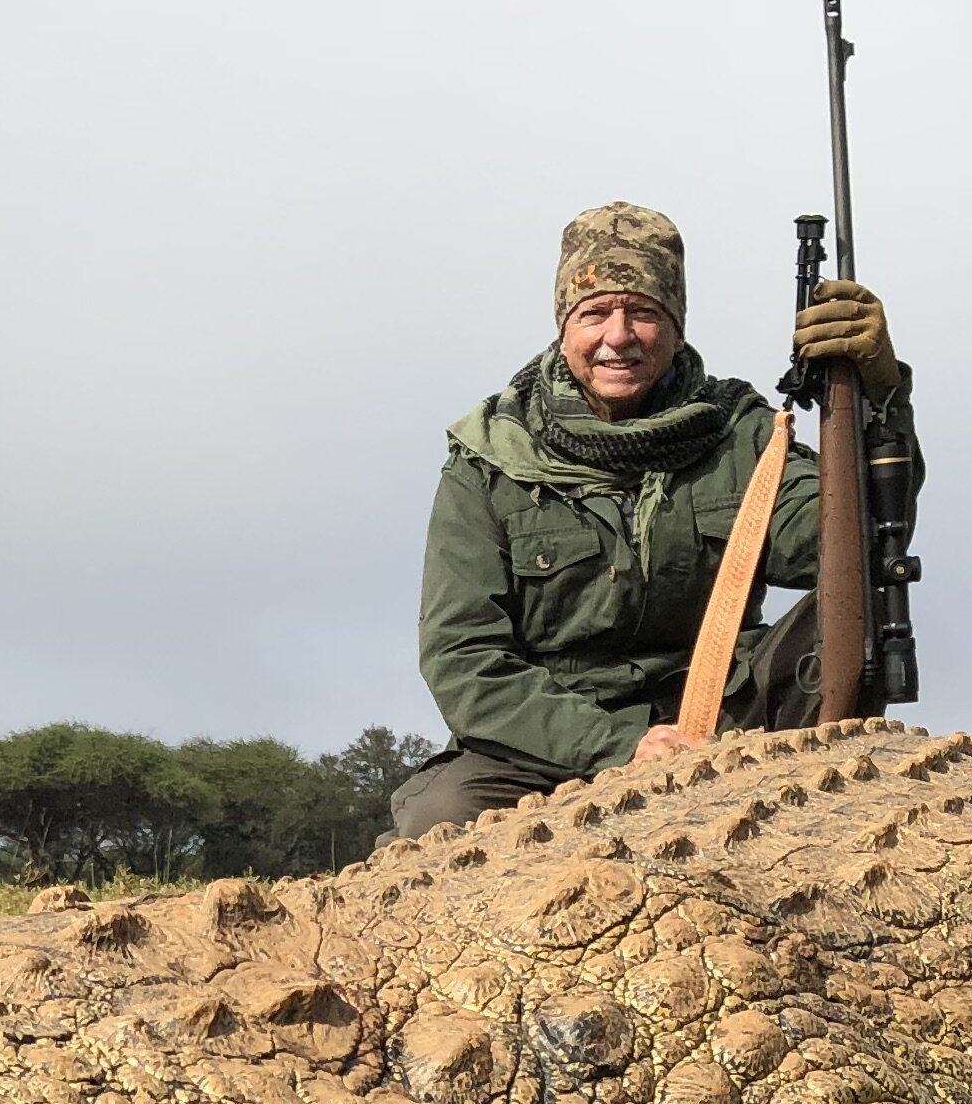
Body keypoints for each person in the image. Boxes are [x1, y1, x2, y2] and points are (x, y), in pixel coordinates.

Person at [390, 201, 922, 839]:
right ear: (565, 327)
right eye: (594, 314)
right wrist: (623, 748)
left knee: (848, 607)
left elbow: (847, 544)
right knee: (440, 813)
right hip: (551, 745)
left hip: (725, 723)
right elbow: (462, 657)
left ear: (676, 327)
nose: (619, 336)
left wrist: (880, 394)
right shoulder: (487, 464)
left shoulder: (743, 436)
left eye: (643, 312)